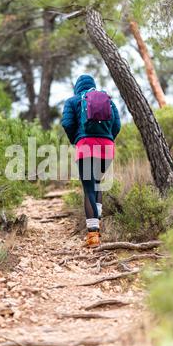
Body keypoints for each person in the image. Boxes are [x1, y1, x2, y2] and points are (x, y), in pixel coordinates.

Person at [61, 74, 121, 247]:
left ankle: (93, 235)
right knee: (97, 183)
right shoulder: (108, 100)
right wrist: (108, 138)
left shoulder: (72, 101)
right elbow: (117, 125)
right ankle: (98, 219)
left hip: (85, 145)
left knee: (89, 189)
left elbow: (67, 123)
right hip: (107, 147)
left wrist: (76, 139)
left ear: (77, 87)